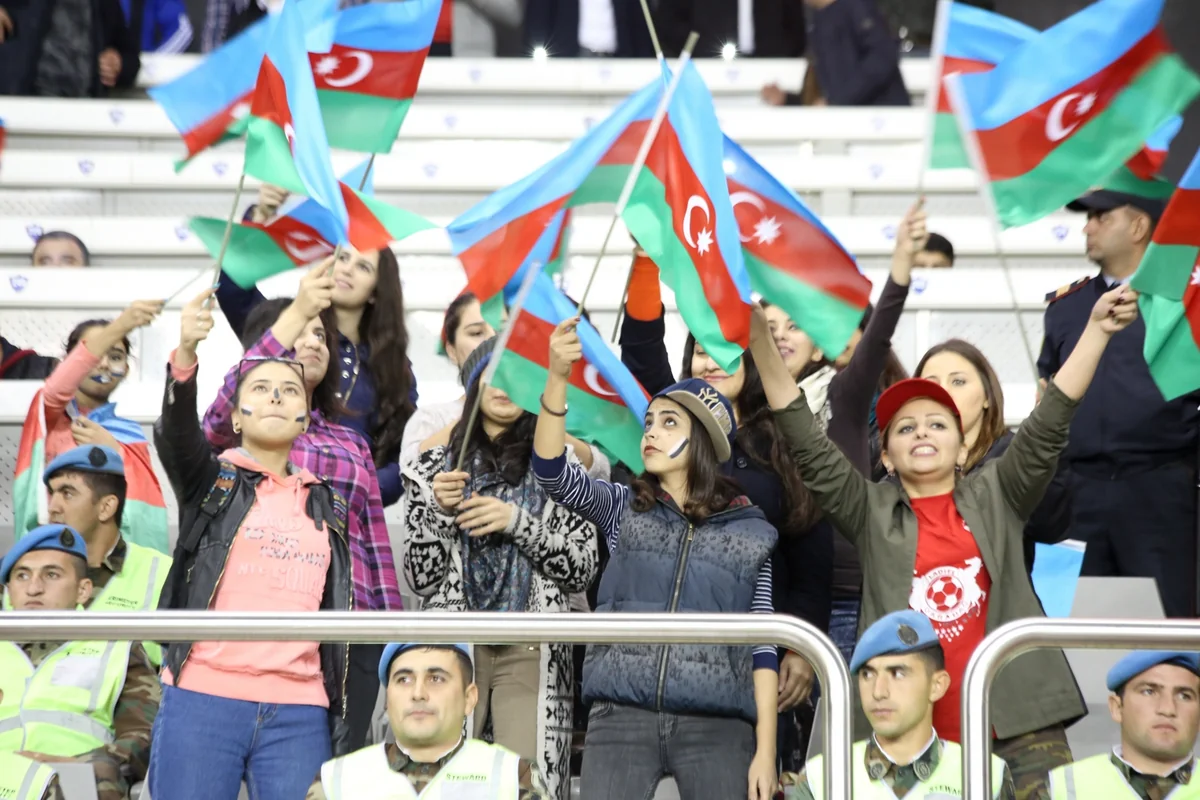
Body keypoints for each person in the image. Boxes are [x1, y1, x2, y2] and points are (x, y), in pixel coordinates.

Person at [752, 284, 1143, 796]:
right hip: (907, 730)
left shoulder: (1000, 491)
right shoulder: (867, 509)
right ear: (886, 456)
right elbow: (803, 434)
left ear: (962, 448)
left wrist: (1096, 329)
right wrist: (760, 342)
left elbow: (1052, 419)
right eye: (905, 428)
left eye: (937, 424)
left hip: (1016, 722)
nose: (921, 432)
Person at [533, 319, 780, 800]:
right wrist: (557, 378)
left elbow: (764, 647)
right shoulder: (622, 506)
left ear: (704, 439)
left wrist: (765, 751)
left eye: (669, 423)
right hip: (620, 715)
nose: (651, 433)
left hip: (718, 724)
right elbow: (551, 472)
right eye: (649, 423)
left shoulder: (753, 530)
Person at [148, 289, 353, 799]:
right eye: (260, 388)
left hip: (300, 709)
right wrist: (186, 354)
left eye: (289, 390)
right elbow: (176, 435)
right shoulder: (211, 481)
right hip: (203, 694)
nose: (276, 397)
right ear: (236, 418)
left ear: (306, 415)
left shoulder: (328, 502)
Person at [202, 263, 403, 748]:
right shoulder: (243, 430)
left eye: (320, 334)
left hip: (351, 625)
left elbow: (374, 543)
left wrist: (395, 633)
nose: (313, 341)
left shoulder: (351, 442)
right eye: (300, 332)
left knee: (338, 766)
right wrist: (288, 323)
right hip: (269, 619)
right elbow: (216, 419)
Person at [401, 336, 598, 800]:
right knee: (441, 783)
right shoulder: (432, 467)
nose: (505, 386)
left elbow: (582, 569)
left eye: (519, 374)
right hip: (451, 648)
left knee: (526, 784)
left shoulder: (563, 468)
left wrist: (518, 523)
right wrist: (438, 511)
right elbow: (419, 578)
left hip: (534, 646)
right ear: (473, 385)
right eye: (494, 374)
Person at [760, 200, 921, 666]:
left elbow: (877, 337)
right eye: (769, 328)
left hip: (848, 597)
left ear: (819, 347)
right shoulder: (749, 416)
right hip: (772, 597)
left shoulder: (844, 397)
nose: (781, 335)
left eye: (795, 326)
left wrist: (900, 271)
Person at [1041, 173, 1200, 618]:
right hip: (1077, 496)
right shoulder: (1066, 308)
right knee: (1072, 632)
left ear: (1138, 226)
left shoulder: (1185, 303)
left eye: (1101, 216)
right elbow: (1047, 396)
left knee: (1168, 633)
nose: (1087, 227)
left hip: (1160, 493)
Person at [217, 208, 418, 508]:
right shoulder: (286, 324)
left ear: (376, 291)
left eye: (363, 267)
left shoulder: (393, 367)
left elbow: (403, 457)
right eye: (343, 258)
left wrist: (355, 486)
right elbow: (232, 288)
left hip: (348, 511)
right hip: (268, 499)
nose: (347, 269)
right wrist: (256, 218)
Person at [0, 524, 161, 800]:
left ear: (83, 590)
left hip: (77, 778)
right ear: (8, 590)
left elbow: (145, 735)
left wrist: (92, 763)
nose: (34, 588)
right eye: (22, 576)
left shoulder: (116, 648)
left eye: (51, 574)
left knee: (94, 779)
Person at [792, 610, 1014, 799]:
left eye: (897, 674)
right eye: (868, 674)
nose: (878, 692)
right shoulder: (821, 777)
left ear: (937, 685)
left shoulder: (986, 775)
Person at [14, 305, 170, 554]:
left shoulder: (129, 436)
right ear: (69, 363)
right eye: (95, 354)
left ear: (126, 369)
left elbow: (146, 519)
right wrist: (121, 326)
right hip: (52, 557)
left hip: (109, 566)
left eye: (115, 357)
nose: (104, 364)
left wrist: (115, 452)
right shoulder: (47, 415)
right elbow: (55, 391)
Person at [309, 643, 552, 799]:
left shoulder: (513, 776)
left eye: (436, 678)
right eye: (404, 680)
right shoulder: (336, 780)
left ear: (469, 698)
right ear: (387, 700)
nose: (418, 693)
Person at [916, 340, 1071, 573]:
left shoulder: (1013, 454)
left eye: (958, 381)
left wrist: (1048, 438)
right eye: (931, 383)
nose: (944, 391)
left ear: (987, 397)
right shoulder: (903, 459)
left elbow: (1050, 527)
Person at [42, 444, 172, 665]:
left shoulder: (163, 573)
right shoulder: (22, 571)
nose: (52, 507)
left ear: (106, 507)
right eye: (52, 494)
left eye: (67, 493)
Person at [1048, 651, 1200, 798]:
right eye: (1148, 692)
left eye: (1184, 696)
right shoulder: (1064, 787)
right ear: (1117, 708)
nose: (1167, 709)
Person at [400, 291, 498, 466]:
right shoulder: (432, 419)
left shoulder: (536, 418)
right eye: (476, 333)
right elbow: (411, 471)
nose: (492, 340)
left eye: (501, 330)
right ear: (452, 351)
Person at [0, 0, 140, 96]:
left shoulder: (104, 3)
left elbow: (130, 56)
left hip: (83, 113)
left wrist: (118, 64)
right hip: (20, 110)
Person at [802, 0, 910, 106]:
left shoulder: (857, 7)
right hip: (847, 110)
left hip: (883, 111)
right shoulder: (817, 19)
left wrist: (840, 100)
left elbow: (883, 57)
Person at [655, 0, 806, 59]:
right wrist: (698, 51)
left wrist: (778, 55)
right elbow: (668, 23)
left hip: (770, 74)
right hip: (705, 70)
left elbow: (796, 29)